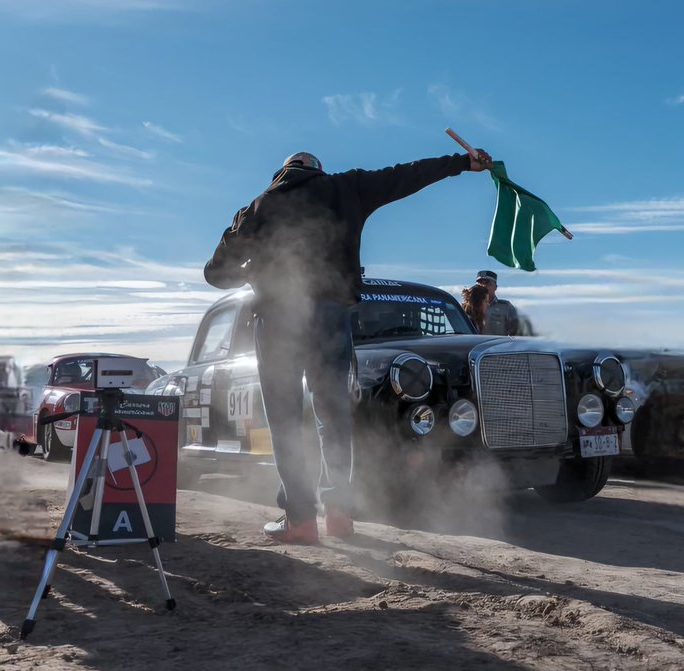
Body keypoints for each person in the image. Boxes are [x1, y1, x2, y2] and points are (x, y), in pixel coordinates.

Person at [204, 147, 493, 545]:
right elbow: (406, 172)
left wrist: (255, 267)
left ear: (282, 172)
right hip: (331, 316)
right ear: (319, 170)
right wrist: (462, 163)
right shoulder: (347, 187)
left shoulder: (258, 206)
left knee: (286, 421)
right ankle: (340, 515)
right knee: (333, 416)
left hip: (278, 320)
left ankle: (300, 521)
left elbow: (216, 274)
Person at [474, 270, 527, 337]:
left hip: (496, 346)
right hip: (473, 345)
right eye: (480, 284)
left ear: (495, 287)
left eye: (488, 284)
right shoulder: (469, 306)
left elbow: (517, 332)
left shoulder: (505, 307)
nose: (484, 287)